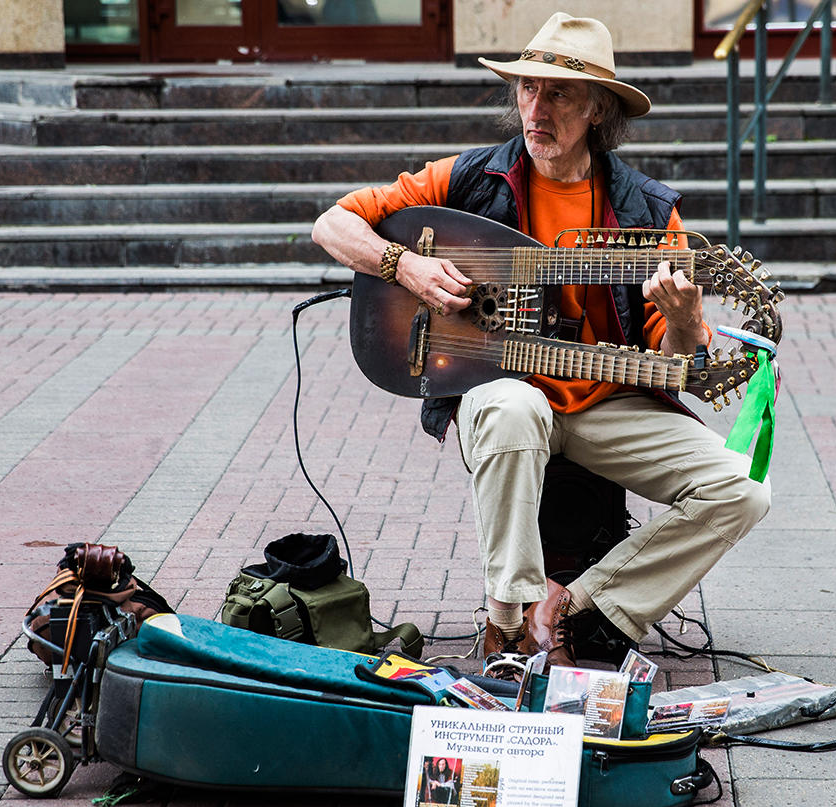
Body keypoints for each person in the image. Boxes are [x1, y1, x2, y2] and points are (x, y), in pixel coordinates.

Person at [312, 12, 771, 675]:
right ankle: (510, 621)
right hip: (500, 394)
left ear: (597, 109)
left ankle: (576, 608)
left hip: (603, 403)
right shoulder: (471, 180)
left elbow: (676, 368)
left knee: (740, 488)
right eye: (527, 89)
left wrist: (679, 314)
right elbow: (333, 223)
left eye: (557, 93)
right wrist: (404, 266)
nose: (537, 107)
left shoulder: (644, 211)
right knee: (514, 407)